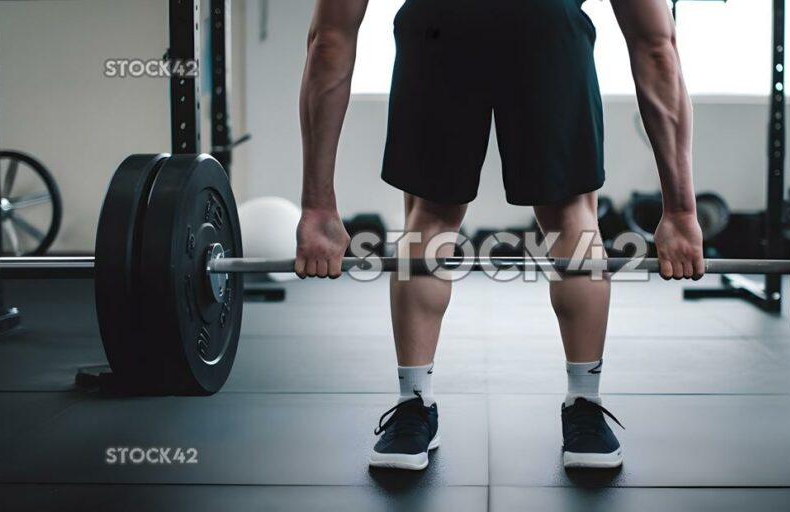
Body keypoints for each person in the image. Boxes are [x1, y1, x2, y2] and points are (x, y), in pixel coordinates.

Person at [295, 0, 703, 471]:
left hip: (439, 30)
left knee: (429, 218)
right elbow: (656, 46)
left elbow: (329, 41)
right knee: (572, 217)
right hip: (546, 28)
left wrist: (319, 206)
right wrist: (679, 208)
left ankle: (414, 407)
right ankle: (584, 409)